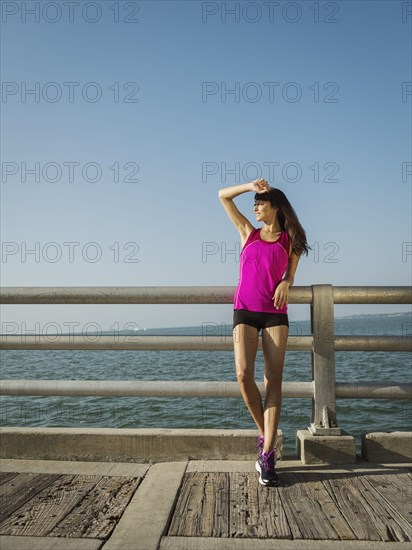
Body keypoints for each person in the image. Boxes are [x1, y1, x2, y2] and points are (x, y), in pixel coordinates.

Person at [218, 179, 310, 487]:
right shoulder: (248, 232)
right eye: (254, 203)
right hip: (244, 310)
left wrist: (288, 281)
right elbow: (222, 196)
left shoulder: (291, 239)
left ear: (275, 206)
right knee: (244, 375)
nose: (255, 207)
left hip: (275, 315)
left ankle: (267, 455)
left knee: (273, 380)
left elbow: (291, 273)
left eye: (260, 202)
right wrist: (248, 186)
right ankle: (267, 434)